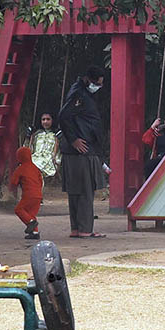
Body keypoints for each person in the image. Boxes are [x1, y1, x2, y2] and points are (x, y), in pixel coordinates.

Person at [58, 65, 107, 238]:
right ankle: (85, 229)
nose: (98, 87)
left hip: (79, 149)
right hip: (82, 148)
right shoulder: (78, 93)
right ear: (88, 79)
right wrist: (73, 139)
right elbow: (63, 116)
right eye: (96, 83)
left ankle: (77, 229)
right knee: (85, 190)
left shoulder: (83, 92)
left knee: (76, 191)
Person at [10, 146, 44, 240]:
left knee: (19, 209)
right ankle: (35, 232)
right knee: (31, 213)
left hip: (29, 194)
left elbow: (14, 182)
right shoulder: (35, 168)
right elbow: (40, 181)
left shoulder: (21, 169)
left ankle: (31, 222)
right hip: (38, 195)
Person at [29, 112, 60, 178]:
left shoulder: (55, 135)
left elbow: (57, 151)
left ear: (52, 120)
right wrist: (29, 136)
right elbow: (30, 148)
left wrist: (55, 158)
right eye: (43, 119)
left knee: (36, 168)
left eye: (48, 119)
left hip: (49, 160)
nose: (45, 122)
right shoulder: (37, 134)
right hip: (36, 157)